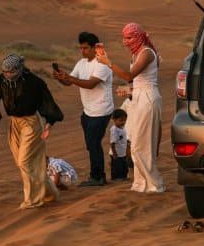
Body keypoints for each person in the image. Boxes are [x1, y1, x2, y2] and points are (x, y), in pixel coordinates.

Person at [0, 54, 64, 209]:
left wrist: (49, 124)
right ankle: (51, 193)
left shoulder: (34, 83)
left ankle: (32, 200)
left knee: (25, 161)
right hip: (14, 123)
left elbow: (48, 104)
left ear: (19, 69)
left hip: (32, 122)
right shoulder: (1, 81)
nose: (7, 74)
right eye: (5, 72)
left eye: (11, 71)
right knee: (23, 163)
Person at [98, 23, 165, 193]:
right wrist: (127, 91)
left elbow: (129, 76)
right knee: (135, 143)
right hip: (139, 98)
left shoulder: (147, 53)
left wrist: (108, 63)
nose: (126, 41)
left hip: (147, 99)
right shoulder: (136, 55)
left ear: (139, 36)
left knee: (143, 144)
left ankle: (154, 184)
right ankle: (141, 183)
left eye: (129, 37)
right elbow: (137, 82)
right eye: (124, 38)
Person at [52, 32, 116, 187]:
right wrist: (62, 79)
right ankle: (97, 175)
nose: (82, 51)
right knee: (91, 144)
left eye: (85, 48)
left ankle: (98, 177)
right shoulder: (81, 63)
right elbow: (70, 82)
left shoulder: (102, 64)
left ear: (95, 47)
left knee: (93, 143)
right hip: (87, 112)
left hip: (102, 110)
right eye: (80, 48)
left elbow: (90, 84)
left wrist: (70, 78)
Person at [108, 108, 129, 181]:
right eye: (121, 120)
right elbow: (112, 143)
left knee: (124, 167)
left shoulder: (122, 128)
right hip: (116, 153)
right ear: (114, 120)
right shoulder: (114, 130)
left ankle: (123, 177)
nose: (123, 122)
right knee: (116, 167)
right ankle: (115, 178)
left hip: (122, 153)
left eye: (124, 120)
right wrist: (114, 154)